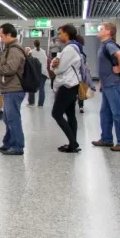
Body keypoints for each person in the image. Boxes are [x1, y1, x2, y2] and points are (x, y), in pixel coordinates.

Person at [90, 23, 120, 151]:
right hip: (107, 84)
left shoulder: (109, 45)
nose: (99, 31)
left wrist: (119, 68)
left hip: (114, 84)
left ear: (108, 32)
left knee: (118, 113)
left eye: (101, 29)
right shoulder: (104, 45)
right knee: (105, 113)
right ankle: (106, 138)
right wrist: (102, 80)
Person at [0, 23, 27, 155]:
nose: (0, 39)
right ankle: (8, 143)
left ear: (10, 35)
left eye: (2, 36)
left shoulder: (15, 50)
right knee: (7, 117)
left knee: (13, 118)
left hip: (14, 88)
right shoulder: (7, 48)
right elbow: (2, 62)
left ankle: (18, 146)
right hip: (8, 88)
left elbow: (10, 69)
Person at [49, 25, 82, 153]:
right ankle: (72, 143)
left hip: (66, 85)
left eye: (60, 33)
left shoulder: (69, 49)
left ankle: (73, 142)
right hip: (72, 84)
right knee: (70, 115)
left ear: (67, 34)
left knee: (56, 113)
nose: (58, 36)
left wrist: (53, 65)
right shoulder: (76, 47)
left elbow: (59, 69)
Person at [27, 40, 48, 107]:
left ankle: (31, 102)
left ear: (33, 44)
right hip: (44, 72)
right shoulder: (43, 52)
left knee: (32, 87)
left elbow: (29, 62)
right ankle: (40, 104)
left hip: (35, 73)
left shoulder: (31, 52)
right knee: (42, 89)